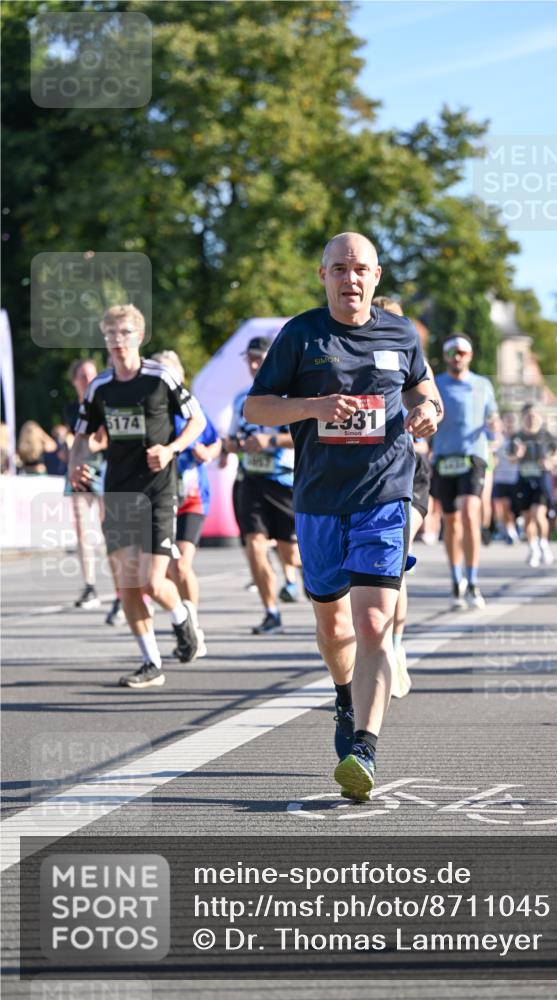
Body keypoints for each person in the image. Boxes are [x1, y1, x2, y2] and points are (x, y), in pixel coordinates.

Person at [244, 232, 440, 802]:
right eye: (339, 269)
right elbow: (256, 406)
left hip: (384, 494)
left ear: (376, 276)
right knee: (334, 629)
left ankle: (365, 748)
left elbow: (423, 387)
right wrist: (313, 407)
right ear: (323, 275)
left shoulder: (401, 333)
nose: (350, 279)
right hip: (319, 501)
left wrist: (429, 408)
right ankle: (343, 694)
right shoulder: (301, 335)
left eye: (360, 269)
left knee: (375, 623)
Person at [69, 304, 206, 688]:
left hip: (158, 490)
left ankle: (182, 617)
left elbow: (198, 421)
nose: (117, 341)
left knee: (151, 581)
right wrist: (75, 464)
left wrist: (171, 449)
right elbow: (82, 436)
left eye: (125, 333)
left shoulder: (160, 377)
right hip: (118, 493)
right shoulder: (100, 387)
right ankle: (151, 663)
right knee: (128, 584)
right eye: (110, 334)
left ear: (140, 337)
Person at [371, 295, 443, 699]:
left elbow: (436, 404)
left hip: (410, 470)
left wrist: (427, 412)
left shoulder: (412, 357)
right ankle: (375, 645)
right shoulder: (353, 355)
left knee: (395, 559)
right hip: (366, 472)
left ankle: (395, 647)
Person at [225, 336, 300, 635]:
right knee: (254, 545)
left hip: (285, 481)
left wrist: (270, 440)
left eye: (260, 358)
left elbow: (303, 437)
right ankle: (271, 611)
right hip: (252, 480)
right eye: (250, 359)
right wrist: (235, 445)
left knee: (291, 553)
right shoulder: (241, 399)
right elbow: (231, 440)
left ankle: (298, 577)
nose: (255, 365)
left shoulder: (290, 395)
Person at [152, 351, 222, 658]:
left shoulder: (192, 408)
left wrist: (208, 452)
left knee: (181, 564)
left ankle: (192, 625)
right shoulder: (150, 412)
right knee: (165, 570)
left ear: (180, 378)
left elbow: (216, 440)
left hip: (192, 497)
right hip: (160, 497)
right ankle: (183, 621)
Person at [430, 334, 498, 610]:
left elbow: (492, 417)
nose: (457, 357)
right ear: (445, 356)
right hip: (444, 457)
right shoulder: (435, 384)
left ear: (470, 356)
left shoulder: (482, 384)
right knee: (451, 521)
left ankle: (473, 581)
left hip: (474, 456)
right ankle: (456, 579)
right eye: (452, 353)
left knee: (470, 512)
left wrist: (495, 427)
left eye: (462, 352)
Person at [63, 359, 111, 612]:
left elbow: (104, 440)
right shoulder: (72, 408)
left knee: (108, 527)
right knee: (82, 528)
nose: (87, 380)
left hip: (103, 468)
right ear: (74, 381)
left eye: (91, 375)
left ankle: (120, 585)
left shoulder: (104, 403)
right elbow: (74, 439)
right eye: (82, 376)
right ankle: (89, 585)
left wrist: (90, 444)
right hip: (79, 470)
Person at [510, 404, 557, 567]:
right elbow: (511, 458)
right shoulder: (517, 437)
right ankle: (533, 548)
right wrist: (517, 455)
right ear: (523, 418)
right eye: (528, 416)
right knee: (527, 517)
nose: (531, 419)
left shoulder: (547, 435)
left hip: (542, 481)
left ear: (539, 417)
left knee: (538, 514)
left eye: (534, 416)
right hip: (524, 481)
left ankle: (544, 544)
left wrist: (551, 461)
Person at [492, 412, 520, 544]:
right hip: (500, 478)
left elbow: (516, 458)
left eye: (512, 421)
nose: (509, 424)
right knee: (503, 505)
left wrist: (516, 455)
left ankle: (514, 528)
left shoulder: (518, 439)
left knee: (513, 508)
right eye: (507, 421)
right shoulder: (498, 438)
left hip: (514, 478)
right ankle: (509, 530)